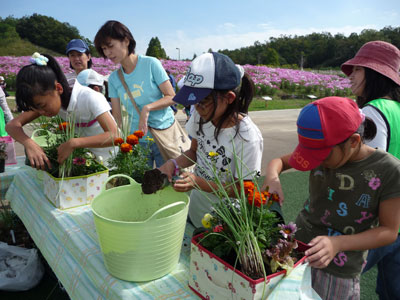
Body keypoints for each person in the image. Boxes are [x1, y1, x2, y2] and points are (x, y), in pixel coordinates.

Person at [261, 96, 400, 300]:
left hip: (339, 269)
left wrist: (337, 243)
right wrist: (272, 177)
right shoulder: (320, 151)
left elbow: (389, 231)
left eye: (322, 156)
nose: (316, 162)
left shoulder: (388, 170)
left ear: (354, 141)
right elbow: (278, 161)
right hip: (296, 251)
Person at [158, 52, 263, 228]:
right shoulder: (200, 116)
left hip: (226, 219)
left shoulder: (247, 137)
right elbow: (194, 152)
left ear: (229, 98)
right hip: (198, 205)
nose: (196, 108)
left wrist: (197, 182)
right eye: (194, 102)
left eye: (203, 101)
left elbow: (242, 190)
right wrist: (173, 164)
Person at [341, 40, 400, 300]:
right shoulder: (397, 109)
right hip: (397, 221)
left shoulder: (371, 112)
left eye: (358, 69)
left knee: (333, 279)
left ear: (375, 74)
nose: (351, 75)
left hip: (375, 223)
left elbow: (367, 175)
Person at [5, 53, 118, 169]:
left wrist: (74, 143)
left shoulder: (90, 97)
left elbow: (115, 136)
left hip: (114, 160)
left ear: (58, 88)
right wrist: (29, 144)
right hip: (89, 160)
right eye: (35, 108)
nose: (41, 112)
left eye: (42, 106)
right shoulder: (50, 102)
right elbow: (11, 126)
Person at [94, 20, 176, 168]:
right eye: (104, 49)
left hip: (163, 134)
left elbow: (172, 97)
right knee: (142, 185)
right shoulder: (113, 79)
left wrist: (147, 108)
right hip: (137, 141)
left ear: (126, 41)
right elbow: (117, 117)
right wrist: (120, 142)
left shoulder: (151, 64)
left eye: (110, 46)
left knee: (172, 181)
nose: (107, 53)